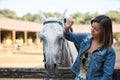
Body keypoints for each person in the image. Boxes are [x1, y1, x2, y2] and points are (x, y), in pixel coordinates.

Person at [64, 15, 116, 80]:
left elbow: (107, 76)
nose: (92, 30)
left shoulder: (109, 52)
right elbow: (68, 36)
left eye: (96, 29)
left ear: (104, 32)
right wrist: (67, 27)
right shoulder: (85, 38)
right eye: (92, 27)